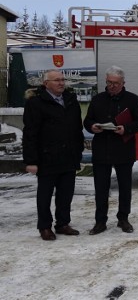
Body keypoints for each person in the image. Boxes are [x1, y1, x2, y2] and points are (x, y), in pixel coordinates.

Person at [84, 66, 138, 234]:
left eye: (115, 83)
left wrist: (126, 128)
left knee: (125, 187)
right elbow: (87, 120)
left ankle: (123, 219)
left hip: (123, 149)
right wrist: (92, 126)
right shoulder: (98, 99)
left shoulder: (132, 99)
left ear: (123, 83)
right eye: (109, 82)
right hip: (101, 150)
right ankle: (100, 221)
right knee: (101, 188)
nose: (111, 86)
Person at [22, 69, 85, 241]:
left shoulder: (70, 100)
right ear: (46, 84)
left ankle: (63, 223)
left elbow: (77, 128)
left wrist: (78, 150)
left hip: (69, 156)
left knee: (66, 194)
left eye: (63, 79)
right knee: (45, 195)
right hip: (47, 158)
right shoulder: (36, 103)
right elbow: (30, 133)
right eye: (56, 80)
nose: (61, 83)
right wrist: (31, 160)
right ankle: (44, 226)